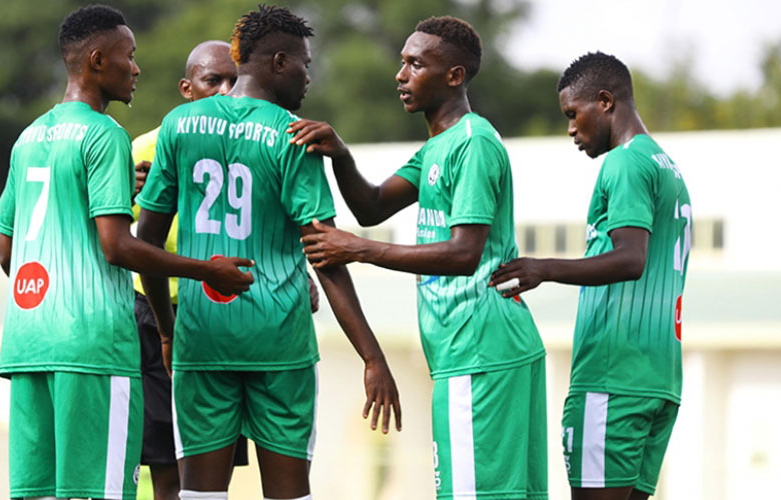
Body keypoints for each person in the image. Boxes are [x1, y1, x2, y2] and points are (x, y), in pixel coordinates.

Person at [135, 5, 401, 500]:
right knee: (287, 493)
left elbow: (144, 242)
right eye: (304, 63)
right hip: (280, 343)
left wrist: (169, 332)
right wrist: (371, 355)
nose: (309, 75)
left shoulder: (178, 126)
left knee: (198, 493)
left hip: (201, 337)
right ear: (279, 62)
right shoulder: (294, 134)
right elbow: (326, 257)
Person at [0, 5, 253, 500]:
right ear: (95, 61)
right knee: (101, 490)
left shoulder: (28, 139)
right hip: (93, 346)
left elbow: (7, 253)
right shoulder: (105, 134)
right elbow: (117, 246)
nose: (135, 69)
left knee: (40, 493)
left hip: (26, 342)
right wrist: (206, 270)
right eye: (127, 57)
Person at [289, 15, 547, 500]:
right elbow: (371, 206)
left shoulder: (471, 144)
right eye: (402, 62)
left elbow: (464, 253)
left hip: (481, 350)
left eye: (415, 64)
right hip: (474, 351)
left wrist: (361, 252)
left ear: (454, 76)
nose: (400, 74)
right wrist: (340, 155)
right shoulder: (437, 147)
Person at [489, 52, 692, 500]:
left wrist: (543, 268)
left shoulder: (623, 164)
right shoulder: (666, 166)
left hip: (612, 378)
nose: (570, 129)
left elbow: (630, 258)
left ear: (604, 101)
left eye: (572, 114)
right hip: (659, 379)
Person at [129, 40, 251, 500]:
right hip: (157, 312)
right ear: (186, 88)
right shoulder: (144, 147)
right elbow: (118, 234)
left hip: (221, 312)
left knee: (212, 464)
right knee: (164, 464)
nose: (224, 90)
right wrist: (128, 191)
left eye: (233, 81)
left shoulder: (247, 143)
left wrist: (298, 272)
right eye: (211, 80)